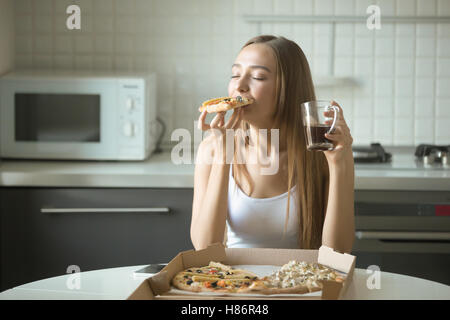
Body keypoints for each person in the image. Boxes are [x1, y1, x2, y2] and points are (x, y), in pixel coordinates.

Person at [191, 35, 354, 253]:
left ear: (288, 90)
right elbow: (204, 248)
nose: (239, 86)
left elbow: (339, 253)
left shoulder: (323, 153)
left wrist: (339, 165)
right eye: (235, 74)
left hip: (300, 283)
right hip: (234, 282)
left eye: (257, 77)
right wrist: (224, 154)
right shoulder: (212, 148)